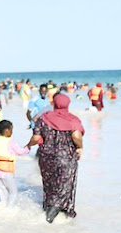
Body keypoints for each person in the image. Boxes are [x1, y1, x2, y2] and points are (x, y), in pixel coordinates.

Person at [28, 93, 84, 223]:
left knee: (50, 185)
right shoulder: (72, 120)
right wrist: (80, 147)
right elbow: (76, 135)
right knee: (65, 186)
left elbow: (36, 138)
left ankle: (49, 208)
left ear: (54, 103)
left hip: (46, 158)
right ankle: (51, 215)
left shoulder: (43, 118)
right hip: (66, 158)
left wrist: (28, 145)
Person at [0, 120, 30, 207]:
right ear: (7, 130)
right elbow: (20, 152)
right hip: (6, 170)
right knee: (13, 193)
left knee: (2, 190)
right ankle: (9, 210)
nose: (12, 132)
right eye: (12, 130)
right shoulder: (10, 142)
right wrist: (28, 146)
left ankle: (2, 207)